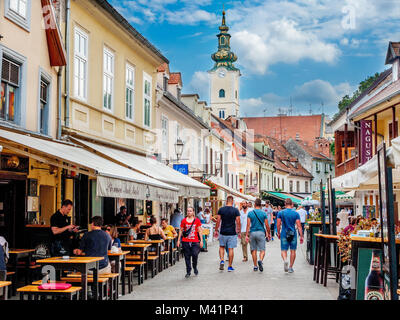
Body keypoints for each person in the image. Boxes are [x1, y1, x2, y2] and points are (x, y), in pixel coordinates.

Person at [214, 195, 241, 272]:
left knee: (221, 246)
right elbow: (238, 222)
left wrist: (216, 230)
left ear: (226, 201)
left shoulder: (221, 210)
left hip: (223, 232)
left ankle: (222, 260)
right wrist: (238, 231)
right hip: (232, 232)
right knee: (230, 249)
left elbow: (218, 221)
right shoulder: (235, 210)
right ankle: (229, 266)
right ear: (232, 202)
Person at [277, 198, 304, 273]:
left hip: (284, 233)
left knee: (283, 250)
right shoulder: (296, 213)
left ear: (285, 204)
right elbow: (299, 226)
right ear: (292, 204)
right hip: (293, 234)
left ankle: (285, 260)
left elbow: (278, 224)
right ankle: (291, 267)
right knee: (293, 251)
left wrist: (278, 233)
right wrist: (301, 236)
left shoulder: (280, 213)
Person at [246, 198, 271, 272]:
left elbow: (248, 225)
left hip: (252, 232)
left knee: (253, 250)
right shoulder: (263, 213)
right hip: (261, 233)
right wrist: (268, 234)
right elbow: (267, 225)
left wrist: (247, 235)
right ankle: (260, 260)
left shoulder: (250, 213)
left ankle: (255, 266)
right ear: (260, 205)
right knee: (262, 250)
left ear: (254, 204)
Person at [177, 207, 203, 278]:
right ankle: (188, 271)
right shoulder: (184, 221)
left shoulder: (197, 220)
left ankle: (194, 266)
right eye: (188, 211)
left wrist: (201, 241)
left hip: (195, 241)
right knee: (187, 257)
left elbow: (200, 231)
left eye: (190, 211)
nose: (189, 212)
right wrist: (178, 240)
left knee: (195, 254)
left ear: (193, 212)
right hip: (186, 241)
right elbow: (181, 230)